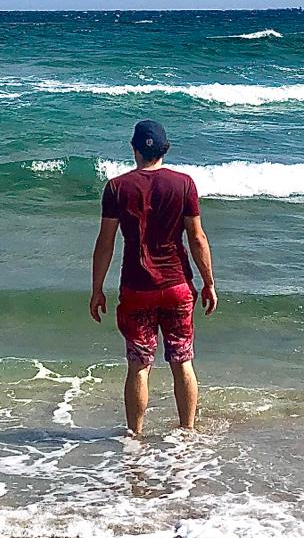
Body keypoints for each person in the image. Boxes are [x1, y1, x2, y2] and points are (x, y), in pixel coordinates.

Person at [90, 119, 217, 437]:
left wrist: (97, 289)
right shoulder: (184, 184)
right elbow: (197, 238)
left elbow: (105, 242)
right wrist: (209, 282)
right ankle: (187, 433)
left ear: (134, 149)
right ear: (165, 149)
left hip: (137, 288)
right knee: (182, 361)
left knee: (138, 365)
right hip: (177, 286)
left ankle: (135, 437)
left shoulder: (117, 188)